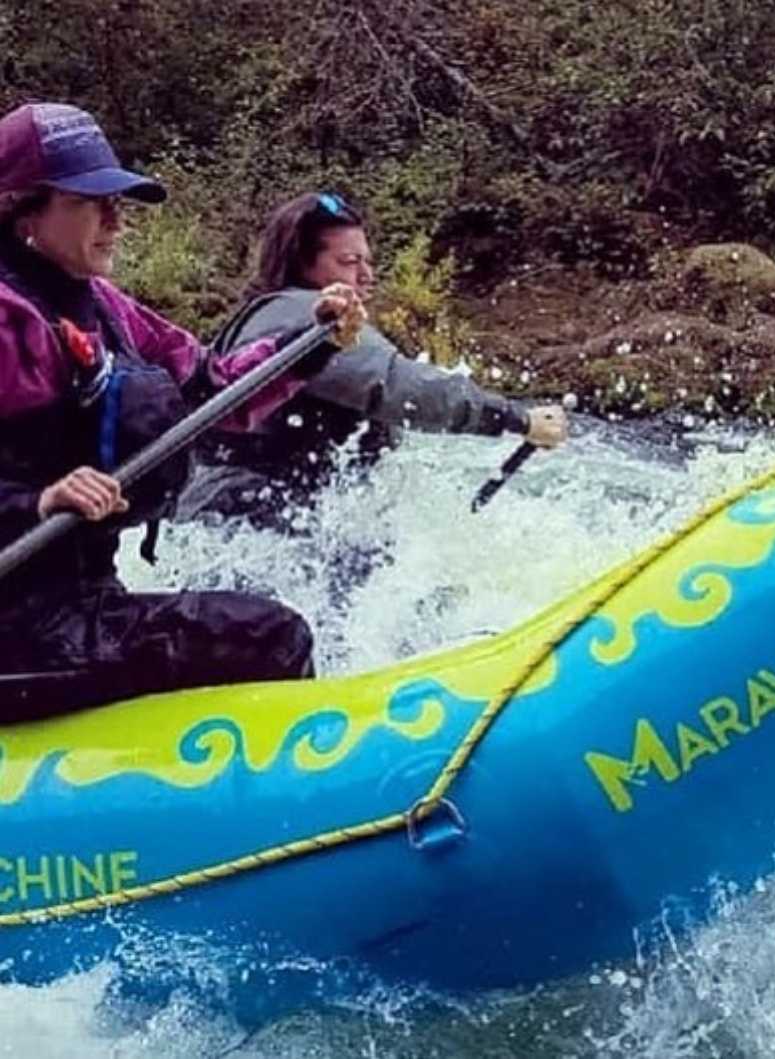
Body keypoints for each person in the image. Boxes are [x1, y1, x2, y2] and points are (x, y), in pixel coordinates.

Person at [0, 102, 364, 720]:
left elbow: (212, 389)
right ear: (22, 210)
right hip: (20, 632)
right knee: (273, 637)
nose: (116, 220)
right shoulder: (10, 321)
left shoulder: (104, 307)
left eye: (117, 201)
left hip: (83, 603)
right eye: (91, 202)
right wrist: (37, 502)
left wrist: (308, 345)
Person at [177, 191, 568, 525]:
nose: (366, 275)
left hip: (259, 518)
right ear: (302, 265)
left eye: (367, 261)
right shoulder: (305, 317)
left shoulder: (279, 312)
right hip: (244, 520)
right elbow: (395, 386)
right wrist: (517, 418)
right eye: (349, 263)